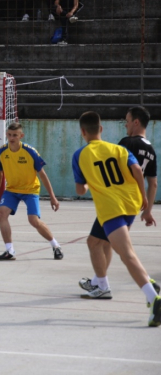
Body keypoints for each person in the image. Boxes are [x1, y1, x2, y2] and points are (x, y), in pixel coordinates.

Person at [72, 111, 160, 327]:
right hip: (130, 203)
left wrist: (88, 183)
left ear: (83, 132)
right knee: (95, 242)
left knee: (126, 254)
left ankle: (152, 296)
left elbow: (80, 190)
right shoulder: (119, 149)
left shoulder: (80, 155)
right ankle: (102, 285)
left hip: (111, 209)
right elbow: (137, 170)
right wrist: (143, 198)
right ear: (101, 129)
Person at [0, 122, 63, 261]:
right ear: (6, 135)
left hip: (30, 189)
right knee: (1, 213)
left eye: (15, 135)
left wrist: (52, 197)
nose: (11, 138)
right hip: (11, 190)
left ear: (21, 136)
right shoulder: (0, 152)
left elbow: (42, 174)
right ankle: (9, 251)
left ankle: (55, 246)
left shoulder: (30, 152)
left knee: (33, 220)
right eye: (9, 135)